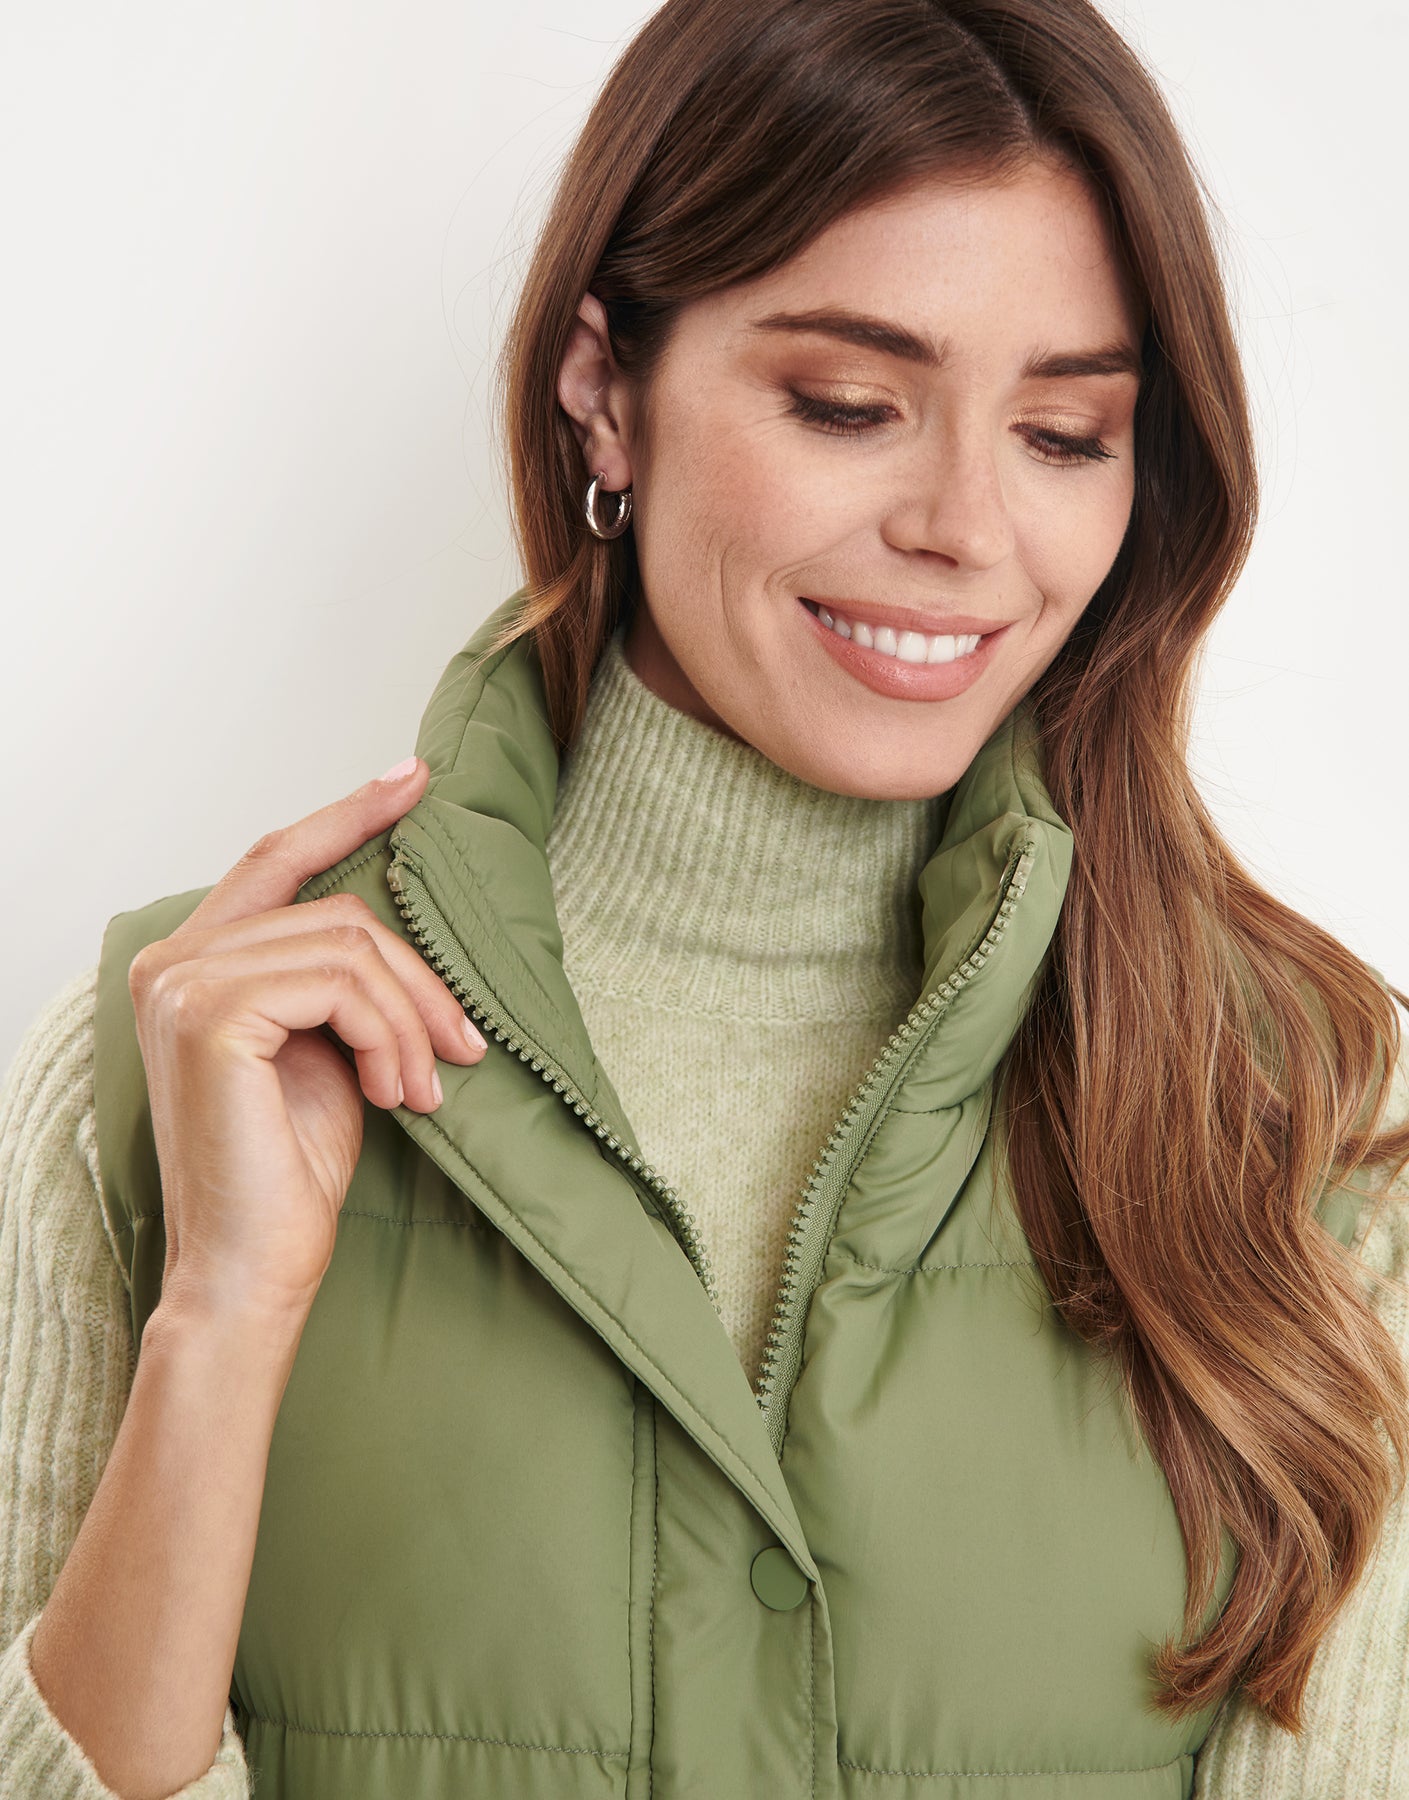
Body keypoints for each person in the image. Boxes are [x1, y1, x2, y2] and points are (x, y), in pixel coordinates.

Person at [2, 0, 1407, 1795]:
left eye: (1064, 434)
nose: (966, 526)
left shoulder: (1307, 1118)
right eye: (848, 405)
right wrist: (220, 1314)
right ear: (606, 387)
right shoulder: (166, 1066)